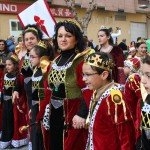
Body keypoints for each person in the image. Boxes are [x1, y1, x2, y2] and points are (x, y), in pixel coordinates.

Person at [40, 20, 93, 150]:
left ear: (76, 39)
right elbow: (47, 89)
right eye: (60, 36)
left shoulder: (81, 61)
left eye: (68, 36)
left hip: (73, 114)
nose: (63, 39)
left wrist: (81, 113)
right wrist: (41, 113)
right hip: (54, 113)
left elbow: (89, 90)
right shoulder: (54, 62)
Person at [82, 52, 135, 150]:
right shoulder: (96, 93)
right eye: (83, 74)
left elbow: (126, 136)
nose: (83, 79)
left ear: (104, 75)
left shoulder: (114, 98)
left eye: (88, 75)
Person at [12, 24, 43, 149]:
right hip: (28, 95)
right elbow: (20, 75)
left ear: (38, 39)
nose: (29, 41)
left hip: (41, 95)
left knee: (40, 126)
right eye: (26, 39)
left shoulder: (45, 55)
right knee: (33, 124)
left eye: (32, 38)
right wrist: (16, 89)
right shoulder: (25, 57)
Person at [29, 40, 54, 150]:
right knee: (35, 134)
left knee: (43, 136)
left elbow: (47, 93)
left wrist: (42, 110)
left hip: (44, 109)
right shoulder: (36, 69)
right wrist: (32, 107)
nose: (30, 59)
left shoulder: (47, 71)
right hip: (35, 107)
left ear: (41, 58)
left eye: (32, 57)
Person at [0, 54, 28, 149]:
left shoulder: (19, 77)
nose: (7, 66)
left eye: (10, 64)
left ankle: (16, 139)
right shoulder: (5, 75)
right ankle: (6, 139)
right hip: (5, 103)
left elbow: (20, 90)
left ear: (15, 65)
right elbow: (3, 89)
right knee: (6, 121)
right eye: (6, 64)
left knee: (14, 121)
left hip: (15, 104)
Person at [136, 55, 150, 150]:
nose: (143, 81)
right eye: (142, 74)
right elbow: (146, 136)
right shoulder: (147, 101)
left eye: (148, 76)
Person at [0, 39, 12, 138]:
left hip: (6, 75)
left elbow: (10, 63)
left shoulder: (9, 54)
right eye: (0, 44)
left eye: (3, 44)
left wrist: (4, 65)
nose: (1, 46)